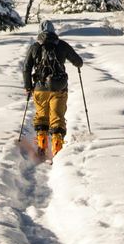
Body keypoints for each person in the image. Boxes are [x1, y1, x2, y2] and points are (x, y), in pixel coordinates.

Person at [23, 19, 83, 158]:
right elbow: (78, 61)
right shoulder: (61, 45)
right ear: (53, 31)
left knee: (42, 117)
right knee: (57, 118)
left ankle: (42, 145)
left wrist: (28, 87)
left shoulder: (35, 47)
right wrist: (77, 65)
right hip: (59, 88)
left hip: (40, 88)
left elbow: (26, 68)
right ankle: (57, 149)